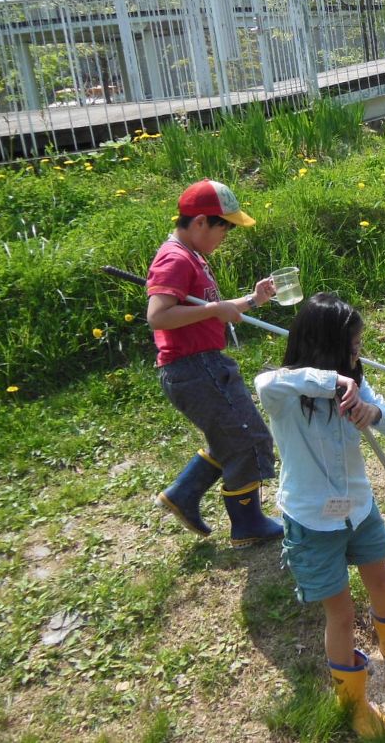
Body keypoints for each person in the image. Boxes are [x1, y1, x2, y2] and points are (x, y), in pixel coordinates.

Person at [255, 294, 385, 738]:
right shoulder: (286, 393)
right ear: (325, 348)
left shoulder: (357, 384)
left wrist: (374, 411)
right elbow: (265, 382)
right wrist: (331, 379)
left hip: (359, 508)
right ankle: (353, 702)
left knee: (382, 582)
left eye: (358, 346)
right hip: (312, 521)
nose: (357, 354)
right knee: (343, 614)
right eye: (351, 347)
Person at [147, 180, 285, 547]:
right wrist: (212, 309)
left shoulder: (191, 256)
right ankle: (248, 524)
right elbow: (158, 316)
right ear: (200, 223)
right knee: (249, 437)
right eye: (224, 227)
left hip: (202, 365)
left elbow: (212, 310)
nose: (226, 235)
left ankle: (183, 494)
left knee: (231, 434)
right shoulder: (175, 258)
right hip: (194, 368)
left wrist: (252, 300)